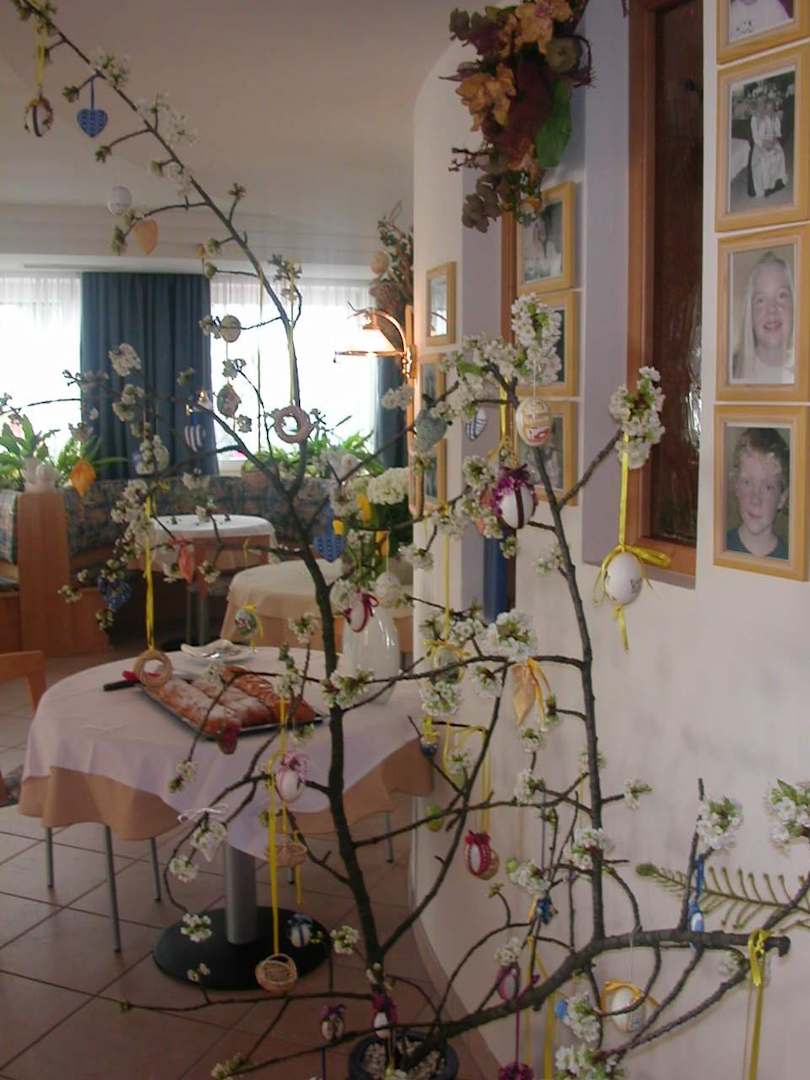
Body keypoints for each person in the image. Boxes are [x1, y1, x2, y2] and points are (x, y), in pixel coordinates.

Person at [726, 427, 789, 559]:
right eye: (747, 482)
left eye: (768, 487)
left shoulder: (790, 560)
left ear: (782, 498)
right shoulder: (719, 547)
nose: (755, 500)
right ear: (736, 485)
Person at [732, 251, 794, 383]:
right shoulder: (728, 373)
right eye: (760, 300)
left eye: (781, 295)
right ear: (750, 314)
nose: (772, 309)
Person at [750, 92, 787, 198]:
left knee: (780, 154)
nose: (761, 106)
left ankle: (777, 181)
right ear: (757, 105)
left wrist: (773, 142)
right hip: (760, 144)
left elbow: (775, 132)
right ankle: (767, 186)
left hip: (772, 142)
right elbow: (756, 138)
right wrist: (764, 144)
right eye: (759, 104)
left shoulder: (770, 117)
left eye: (763, 104)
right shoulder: (755, 118)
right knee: (765, 159)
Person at [524, 208, 561, 282]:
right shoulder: (528, 251)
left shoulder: (551, 246)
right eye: (537, 226)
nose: (542, 228)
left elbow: (555, 272)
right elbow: (531, 277)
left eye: (543, 224)